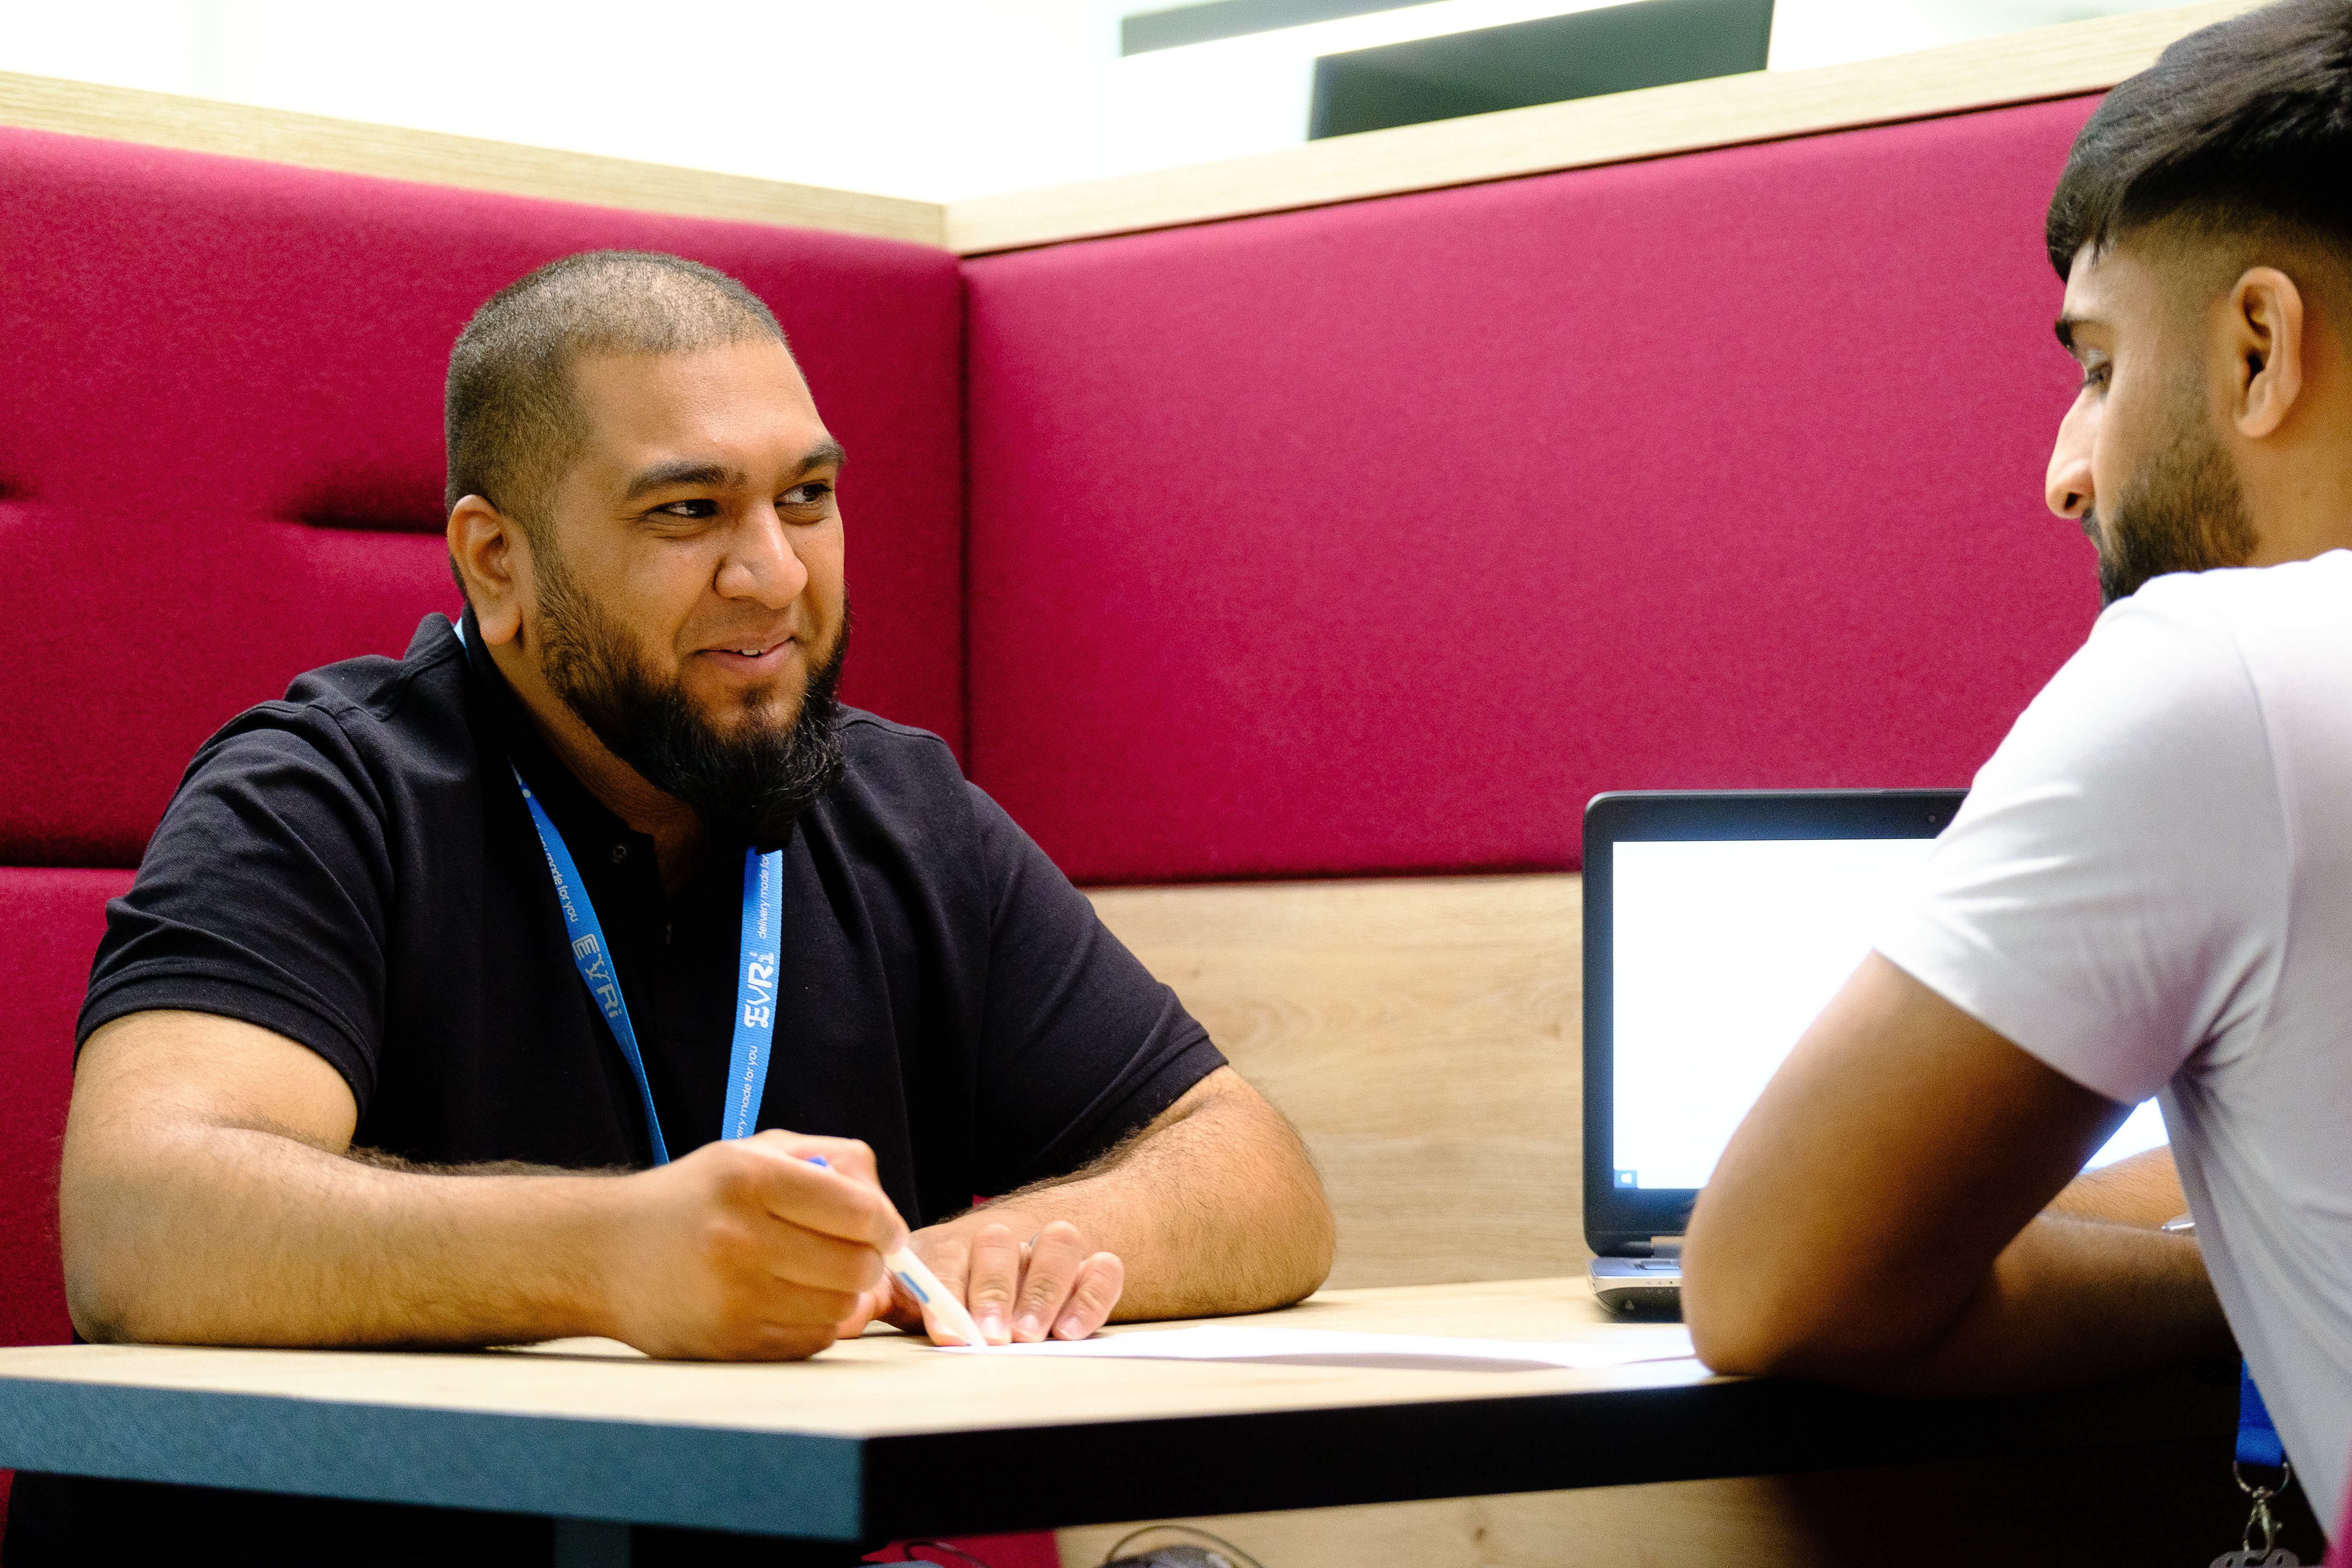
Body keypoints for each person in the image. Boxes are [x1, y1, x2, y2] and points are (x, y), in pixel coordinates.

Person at [5, 251, 1334, 1566]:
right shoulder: (321, 791)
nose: (777, 575)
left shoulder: (906, 811)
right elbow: (142, 1224)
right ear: (497, 565)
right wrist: (611, 1258)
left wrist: (1021, 1247)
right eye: (690, 512)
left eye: (806, 498)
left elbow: (1258, 1174)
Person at [1683, 0, 2352, 1535]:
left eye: (2100, 368)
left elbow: (1770, 1281)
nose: (2066, 471)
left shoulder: (2231, 667)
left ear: (2260, 347)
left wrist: (2213, 1281)